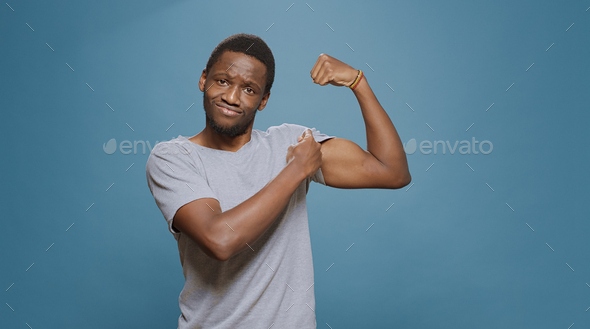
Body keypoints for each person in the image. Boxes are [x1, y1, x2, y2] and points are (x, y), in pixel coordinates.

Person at [145, 33, 411, 329]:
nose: (232, 97)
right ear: (203, 80)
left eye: (249, 89)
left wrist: (358, 82)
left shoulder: (290, 142)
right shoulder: (173, 158)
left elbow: (392, 171)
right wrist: (296, 170)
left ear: (264, 100)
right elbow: (219, 240)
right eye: (222, 81)